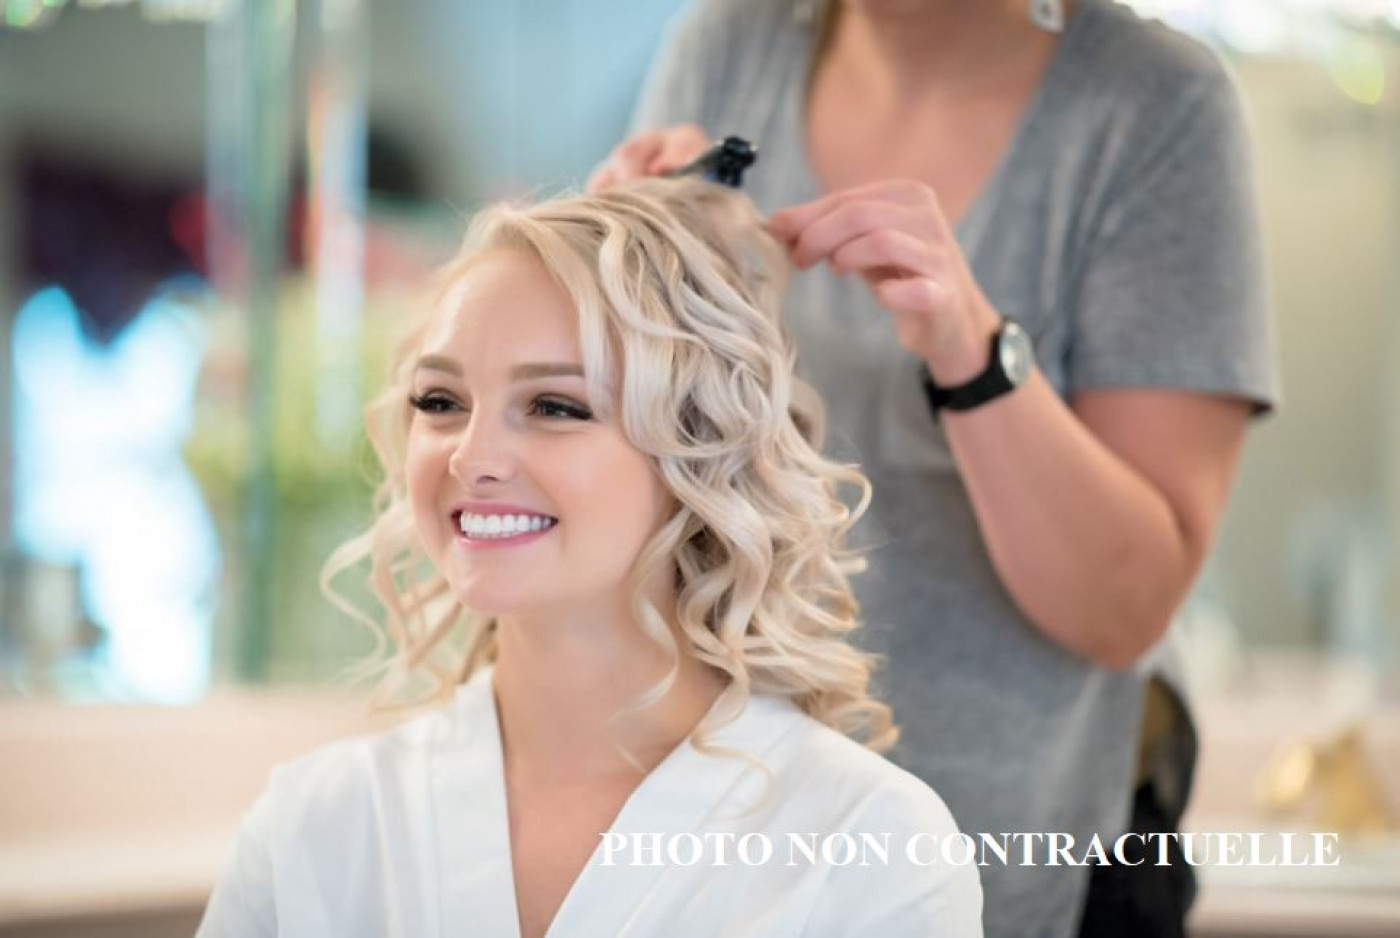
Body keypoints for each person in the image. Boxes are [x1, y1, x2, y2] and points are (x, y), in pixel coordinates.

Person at [590, 1, 1281, 936]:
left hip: (1037, 848)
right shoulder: (726, 46)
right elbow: (641, 471)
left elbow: (1124, 608)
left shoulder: (1155, 105)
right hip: (751, 846)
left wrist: (970, 345)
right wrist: (610, 277)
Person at [195, 177, 985, 938]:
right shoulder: (316, 825)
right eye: (441, 402)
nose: (473, 457)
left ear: (699, 452)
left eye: (555, 406)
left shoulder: (870, 844)